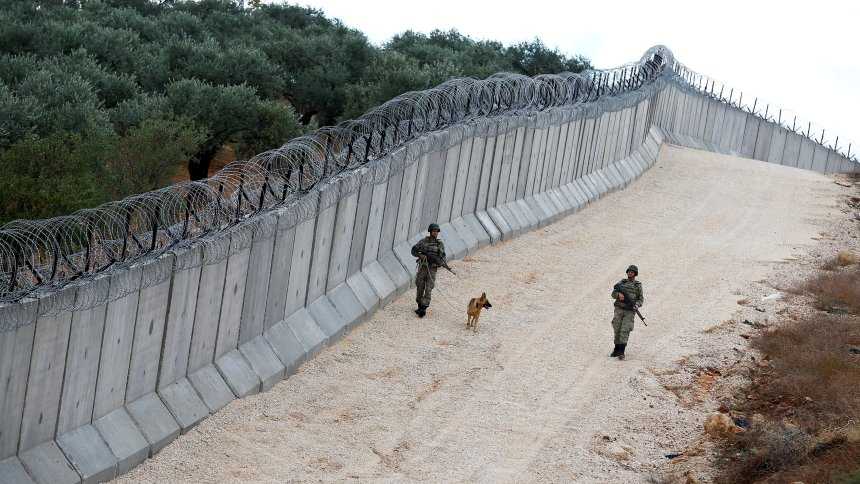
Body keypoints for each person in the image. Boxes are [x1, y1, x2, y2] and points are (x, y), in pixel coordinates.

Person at [411, 223, 446, 318]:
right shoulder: (423, 242)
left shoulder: (439, 244)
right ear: (430, 231)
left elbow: (443, 256)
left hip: (432, 269)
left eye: (436, 231)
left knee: (429, 288)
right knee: (420, 286)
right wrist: (420, 255)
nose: (435, 233)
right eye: (434, 231)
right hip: (423, 267)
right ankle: (419, 304)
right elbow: (413, 250)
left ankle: (424, 307)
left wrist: (440, 263)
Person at [610, 265, 644, 360]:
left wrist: (637, 305)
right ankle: (616, 349)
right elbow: (613, 293)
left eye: (632, 272)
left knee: (625, 329)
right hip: (619, 309)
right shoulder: (622, 283)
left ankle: (621, 351)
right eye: (629, 271)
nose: (630, 273)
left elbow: (641, 299)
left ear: (635, 274)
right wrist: (618, 294)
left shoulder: (638, 285)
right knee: (617, 328)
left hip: (630, 311)